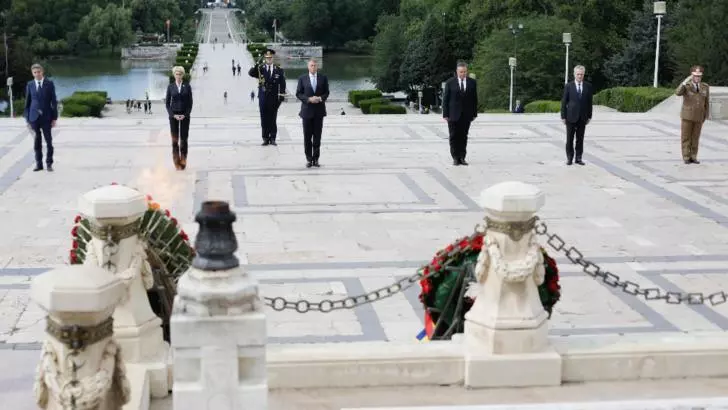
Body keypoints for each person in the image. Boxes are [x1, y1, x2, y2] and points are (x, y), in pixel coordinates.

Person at [442, 62, 478, 166]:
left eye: (465, 72)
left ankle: (462, 157)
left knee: (463, 136)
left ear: (467, 71)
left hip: (466, 114)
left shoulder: (472, 82)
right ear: (457, 72)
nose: (463, 74)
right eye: (461, 72)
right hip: (453, 114)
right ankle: (455, 157)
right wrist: (445, 114)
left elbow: (474, 99)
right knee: (453, 136)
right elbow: (445, 99)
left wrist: (474, 113)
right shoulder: (450, 82)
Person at [24, 63, 58, 172]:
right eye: (35, 72)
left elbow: (53, 102)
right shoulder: (30, 85)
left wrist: (54, 118)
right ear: (32, 73)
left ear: (42, 72)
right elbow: (27, 102)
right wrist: (27, 118)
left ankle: (49, 164)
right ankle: (39, 164)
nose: (37, 74)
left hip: (47, 117)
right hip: (33, 117)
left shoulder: (49, 84)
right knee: (37, 142)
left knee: (49, 142)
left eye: (39, 72)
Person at [295, 58, 329, 168]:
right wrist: (308, 99)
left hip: (319, 111)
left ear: (317, 66)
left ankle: (316, 159)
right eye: (311, 65)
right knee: (307, 137)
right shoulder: (302, 78)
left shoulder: (323, 78)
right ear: (308, 67)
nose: (313, 67)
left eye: (315, 65)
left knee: (317, 137)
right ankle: (309, 159)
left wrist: (320, 98)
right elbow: (298, 93)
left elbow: (326, 92)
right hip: (306, 111)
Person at [248, 49, 286, 146]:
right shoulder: (260, 69)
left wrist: (281, 96)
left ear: (273, 58)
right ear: (265, 58)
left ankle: (272, 138)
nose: (269, 59)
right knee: (264, 118)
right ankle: (265, 138)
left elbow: (282, 84)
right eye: (267, 57)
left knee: (273, 118)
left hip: (273, 98)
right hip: (263, 97)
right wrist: (255, 65)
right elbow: (251, 73)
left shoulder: (279, 70)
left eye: (270, 57)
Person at [676, 65, 710, 164]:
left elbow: (706, 102)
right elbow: (677, 93)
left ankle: (693, 156)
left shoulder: (705, 87)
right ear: (691, 76)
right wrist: (684, 82)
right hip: (687, 116)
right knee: (686, 137)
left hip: (699, 116)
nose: (697, 77)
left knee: (695, 137)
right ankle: (686, 157)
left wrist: (706, 114)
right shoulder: (686, 86)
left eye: (699, 76)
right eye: (695, 75)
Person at [560, 65, 593, 166]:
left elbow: (589, 102)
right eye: (578, 74)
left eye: (581, 74)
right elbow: (564, 102)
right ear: (574, 74)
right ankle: (570, 158)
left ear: (584, 75)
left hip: (583, 117)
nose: (580, 76)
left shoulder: (588, 86)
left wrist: (589, 116)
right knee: (569, 139)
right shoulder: (569, 86)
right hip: (570, 117)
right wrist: (563, 116)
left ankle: (578, 158)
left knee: (580, 139)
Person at [165, 66, 193, 170]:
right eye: (177, 74)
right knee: (174, 140)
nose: (178, 76)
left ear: (183, 75)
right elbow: (167, 104)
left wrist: (185, 114)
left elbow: (190, 103)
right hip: (174, 116)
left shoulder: (187, 86)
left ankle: (183, 161)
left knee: (184, 140)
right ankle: (176, 163)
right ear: (174, 75)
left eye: (180, 74)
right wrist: (173, 115)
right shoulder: (170, 87)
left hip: (185, 116)